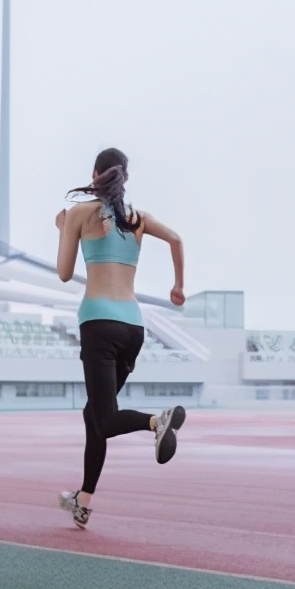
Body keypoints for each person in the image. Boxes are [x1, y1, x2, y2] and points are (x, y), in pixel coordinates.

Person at [53, 148, 186, 529]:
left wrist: (64, 230)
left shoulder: (79, 213)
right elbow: (176, 239)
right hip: (133, 329)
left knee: (106, 418)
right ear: (123, 177)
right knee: (94, 415)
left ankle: (156, 422)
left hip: (98, 324)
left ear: (94, 174)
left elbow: (64, 273)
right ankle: (83, 500)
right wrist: (178, 285)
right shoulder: (136, 219)